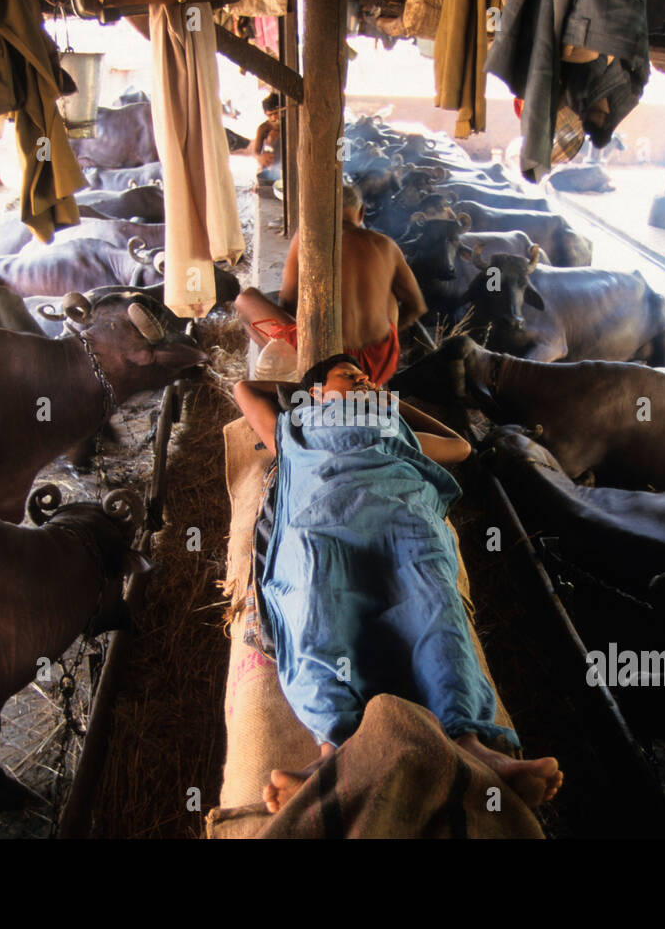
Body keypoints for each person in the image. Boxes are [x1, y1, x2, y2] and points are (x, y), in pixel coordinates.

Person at [233, 355, 563, 813]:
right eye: (349, 375)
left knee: (434, 603)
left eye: (367, 377)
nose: (364, 380)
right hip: (321, 524)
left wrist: (392, 406)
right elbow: (244, 389)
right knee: (315, 606)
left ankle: (468, 742)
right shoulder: (293, 427)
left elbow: (460, 447)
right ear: (315, 392)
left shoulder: (396, 431)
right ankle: (336, 752)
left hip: (403, 515)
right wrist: (307, 391)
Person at [234, 183, 426, 386]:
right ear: (361, 213)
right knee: (389, 297)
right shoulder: (386, 244)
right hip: (379, 363)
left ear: (316, 213)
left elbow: (288, 302)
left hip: (328, 366)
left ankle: (293, 374)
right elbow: (416, 306)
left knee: (246, 300)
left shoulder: (307, 237)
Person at [249, 92, 283, 184]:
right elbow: (255, 152)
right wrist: (260, 157)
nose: (274, 117)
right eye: (270, 115)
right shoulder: (264, 128)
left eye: (276, 113)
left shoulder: (289, 123)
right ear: (265, 114)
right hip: (273, 165)